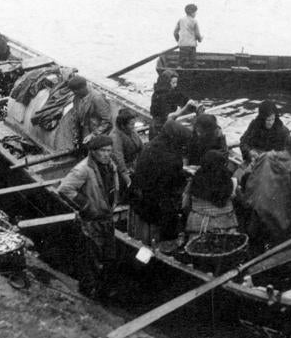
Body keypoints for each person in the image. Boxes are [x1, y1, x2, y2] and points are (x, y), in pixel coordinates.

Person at [57, 135, 119, 299]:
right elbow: (65, 188)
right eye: (103, 151)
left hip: (106, 219)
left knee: (108, 256)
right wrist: (86, 206)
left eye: (109, 150)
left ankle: (103, 290)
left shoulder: (109, 166)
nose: (107, 154)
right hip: (91, 222)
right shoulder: (83, 169)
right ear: (93, 152)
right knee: (91, 257)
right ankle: (88, 291)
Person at [131, 120, 192, 243]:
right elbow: (171, 184)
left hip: (141, 198)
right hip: (157, 204)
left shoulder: (151, 145)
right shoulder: (171, 157)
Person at [184, 150, 238, 235]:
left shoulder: (194, 182)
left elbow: (185, 205)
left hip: (198, 226)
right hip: (226, 226)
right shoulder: (231, 182)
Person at [149, 69, 200, 140]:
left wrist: (194, 104)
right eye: (173, 83)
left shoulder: (171, 91)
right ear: (166, 83)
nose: (175, 85)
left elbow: (182, 98)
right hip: (159, 128)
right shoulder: (159, 96)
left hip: (168, 124)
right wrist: (186, 107)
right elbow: (169, 117)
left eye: (176, 83)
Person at [67, 75, 113, 149]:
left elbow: (107, 121)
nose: (74, 93)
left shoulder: (97, 98)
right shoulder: (77, 97)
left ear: (83, 88)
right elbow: (75, 116)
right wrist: (76, 135)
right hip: (84, 131)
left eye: (75, 91)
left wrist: (93, 135)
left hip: (97, 134)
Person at [109, 108, 143, 198]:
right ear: (123, 125)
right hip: (121, 172)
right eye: (132, 124)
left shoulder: (131, 131)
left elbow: (141, 147)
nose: (134, 127)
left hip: (134, 166)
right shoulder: (115, 137)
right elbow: (119, 161)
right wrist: (128, 181)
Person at [173, 3, 203, 68]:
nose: (195, 14)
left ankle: (179, 69)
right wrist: (200, 39)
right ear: (192, 13)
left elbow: (175, 33)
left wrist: (179, 41)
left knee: (181, 63)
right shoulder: (194, 21)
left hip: (182, 45)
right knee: (193, 63)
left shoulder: (181, 20)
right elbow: (197, 34)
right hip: (191, 45)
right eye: (195, 12)